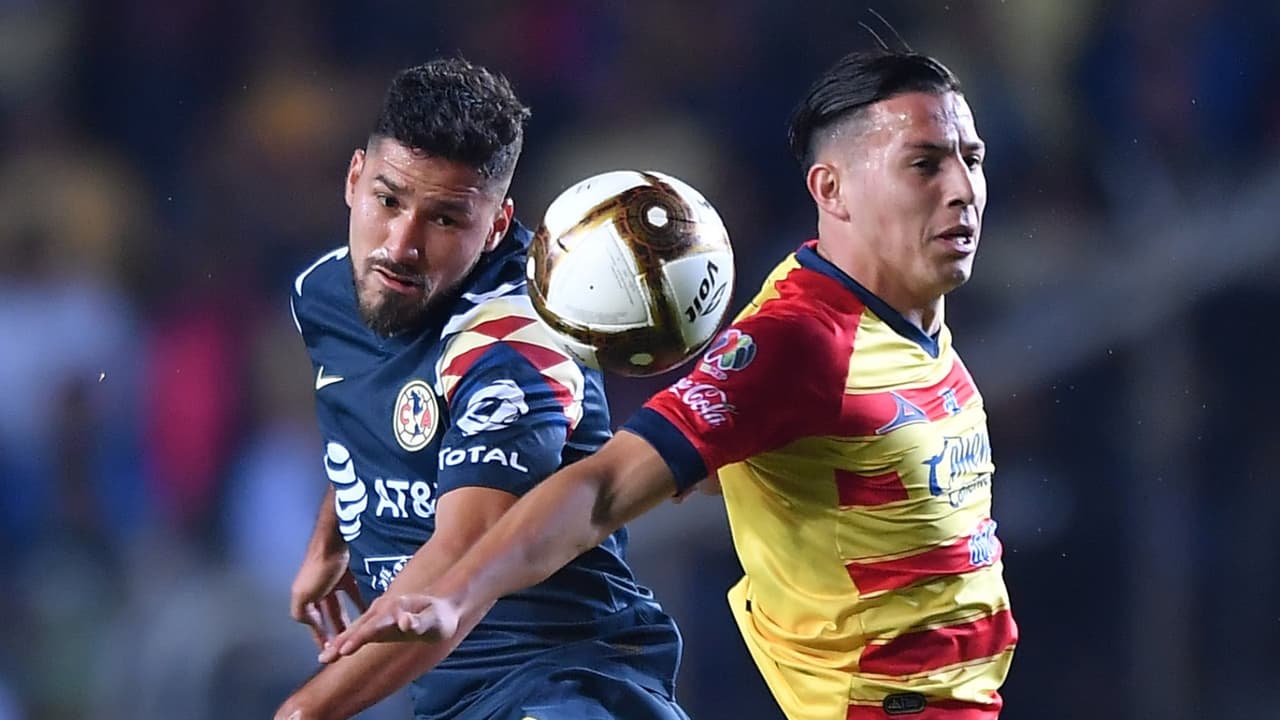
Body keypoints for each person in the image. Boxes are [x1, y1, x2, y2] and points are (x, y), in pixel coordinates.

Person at [324, 49, 1019, 720]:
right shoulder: (799, 343)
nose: (962, 188)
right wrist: (456, 594)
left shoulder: (903, 326)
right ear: (831, 189)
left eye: (972, 159)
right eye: (924, 164)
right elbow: (603, 488)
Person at [275, 58, 690, 720]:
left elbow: (462, 552)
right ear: (354, 179)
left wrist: (304, 711)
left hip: (562, 680)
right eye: (388, 201)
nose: (401, 245)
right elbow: (372, 412)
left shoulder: (514, 342)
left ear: (496, 225)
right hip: (451, 694)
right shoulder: (325, 291)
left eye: (445, 219)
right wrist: (333, 538)